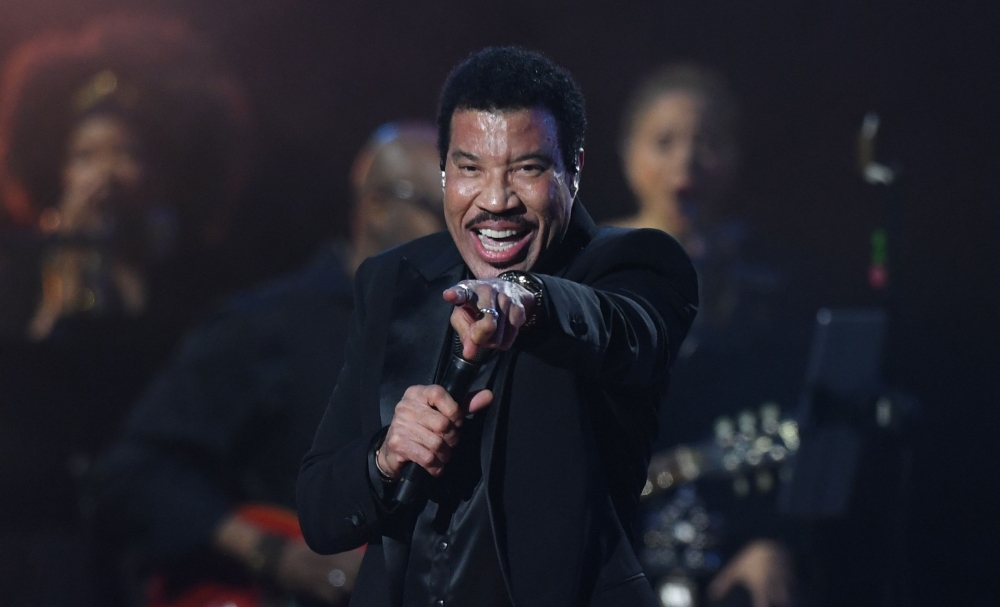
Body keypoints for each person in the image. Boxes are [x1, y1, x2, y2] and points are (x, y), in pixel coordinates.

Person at [296, 46, 698, 607]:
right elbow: (319, 511)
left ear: (573, 170)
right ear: (443, 172)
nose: (495, 200)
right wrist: (385, 457)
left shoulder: (633, 265)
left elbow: (625, 331)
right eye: (470, 169)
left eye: (527, 168)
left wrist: (525, 297)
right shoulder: (393, 281)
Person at [90, 122, 446, 606]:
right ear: (378, 205)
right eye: (441, 211)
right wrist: (276, 555)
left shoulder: (456, 345)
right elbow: (135, 474)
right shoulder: (266, 326)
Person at [0, 16, 249, 607]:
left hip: (148, 544)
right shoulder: (17, 270)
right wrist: (66, 269)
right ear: (56, 170)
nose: (106, 172)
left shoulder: (187, 285)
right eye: (86, 155)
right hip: (38, 533)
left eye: (125, 153)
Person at [612, 64, 806, 607]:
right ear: (629, 154)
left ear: (734, 158)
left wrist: (773, 538)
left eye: (706, 142)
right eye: (664, 142)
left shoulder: (763, 284)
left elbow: (794, 422)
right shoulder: (590, 269)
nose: (686, 162)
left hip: (728, 547)